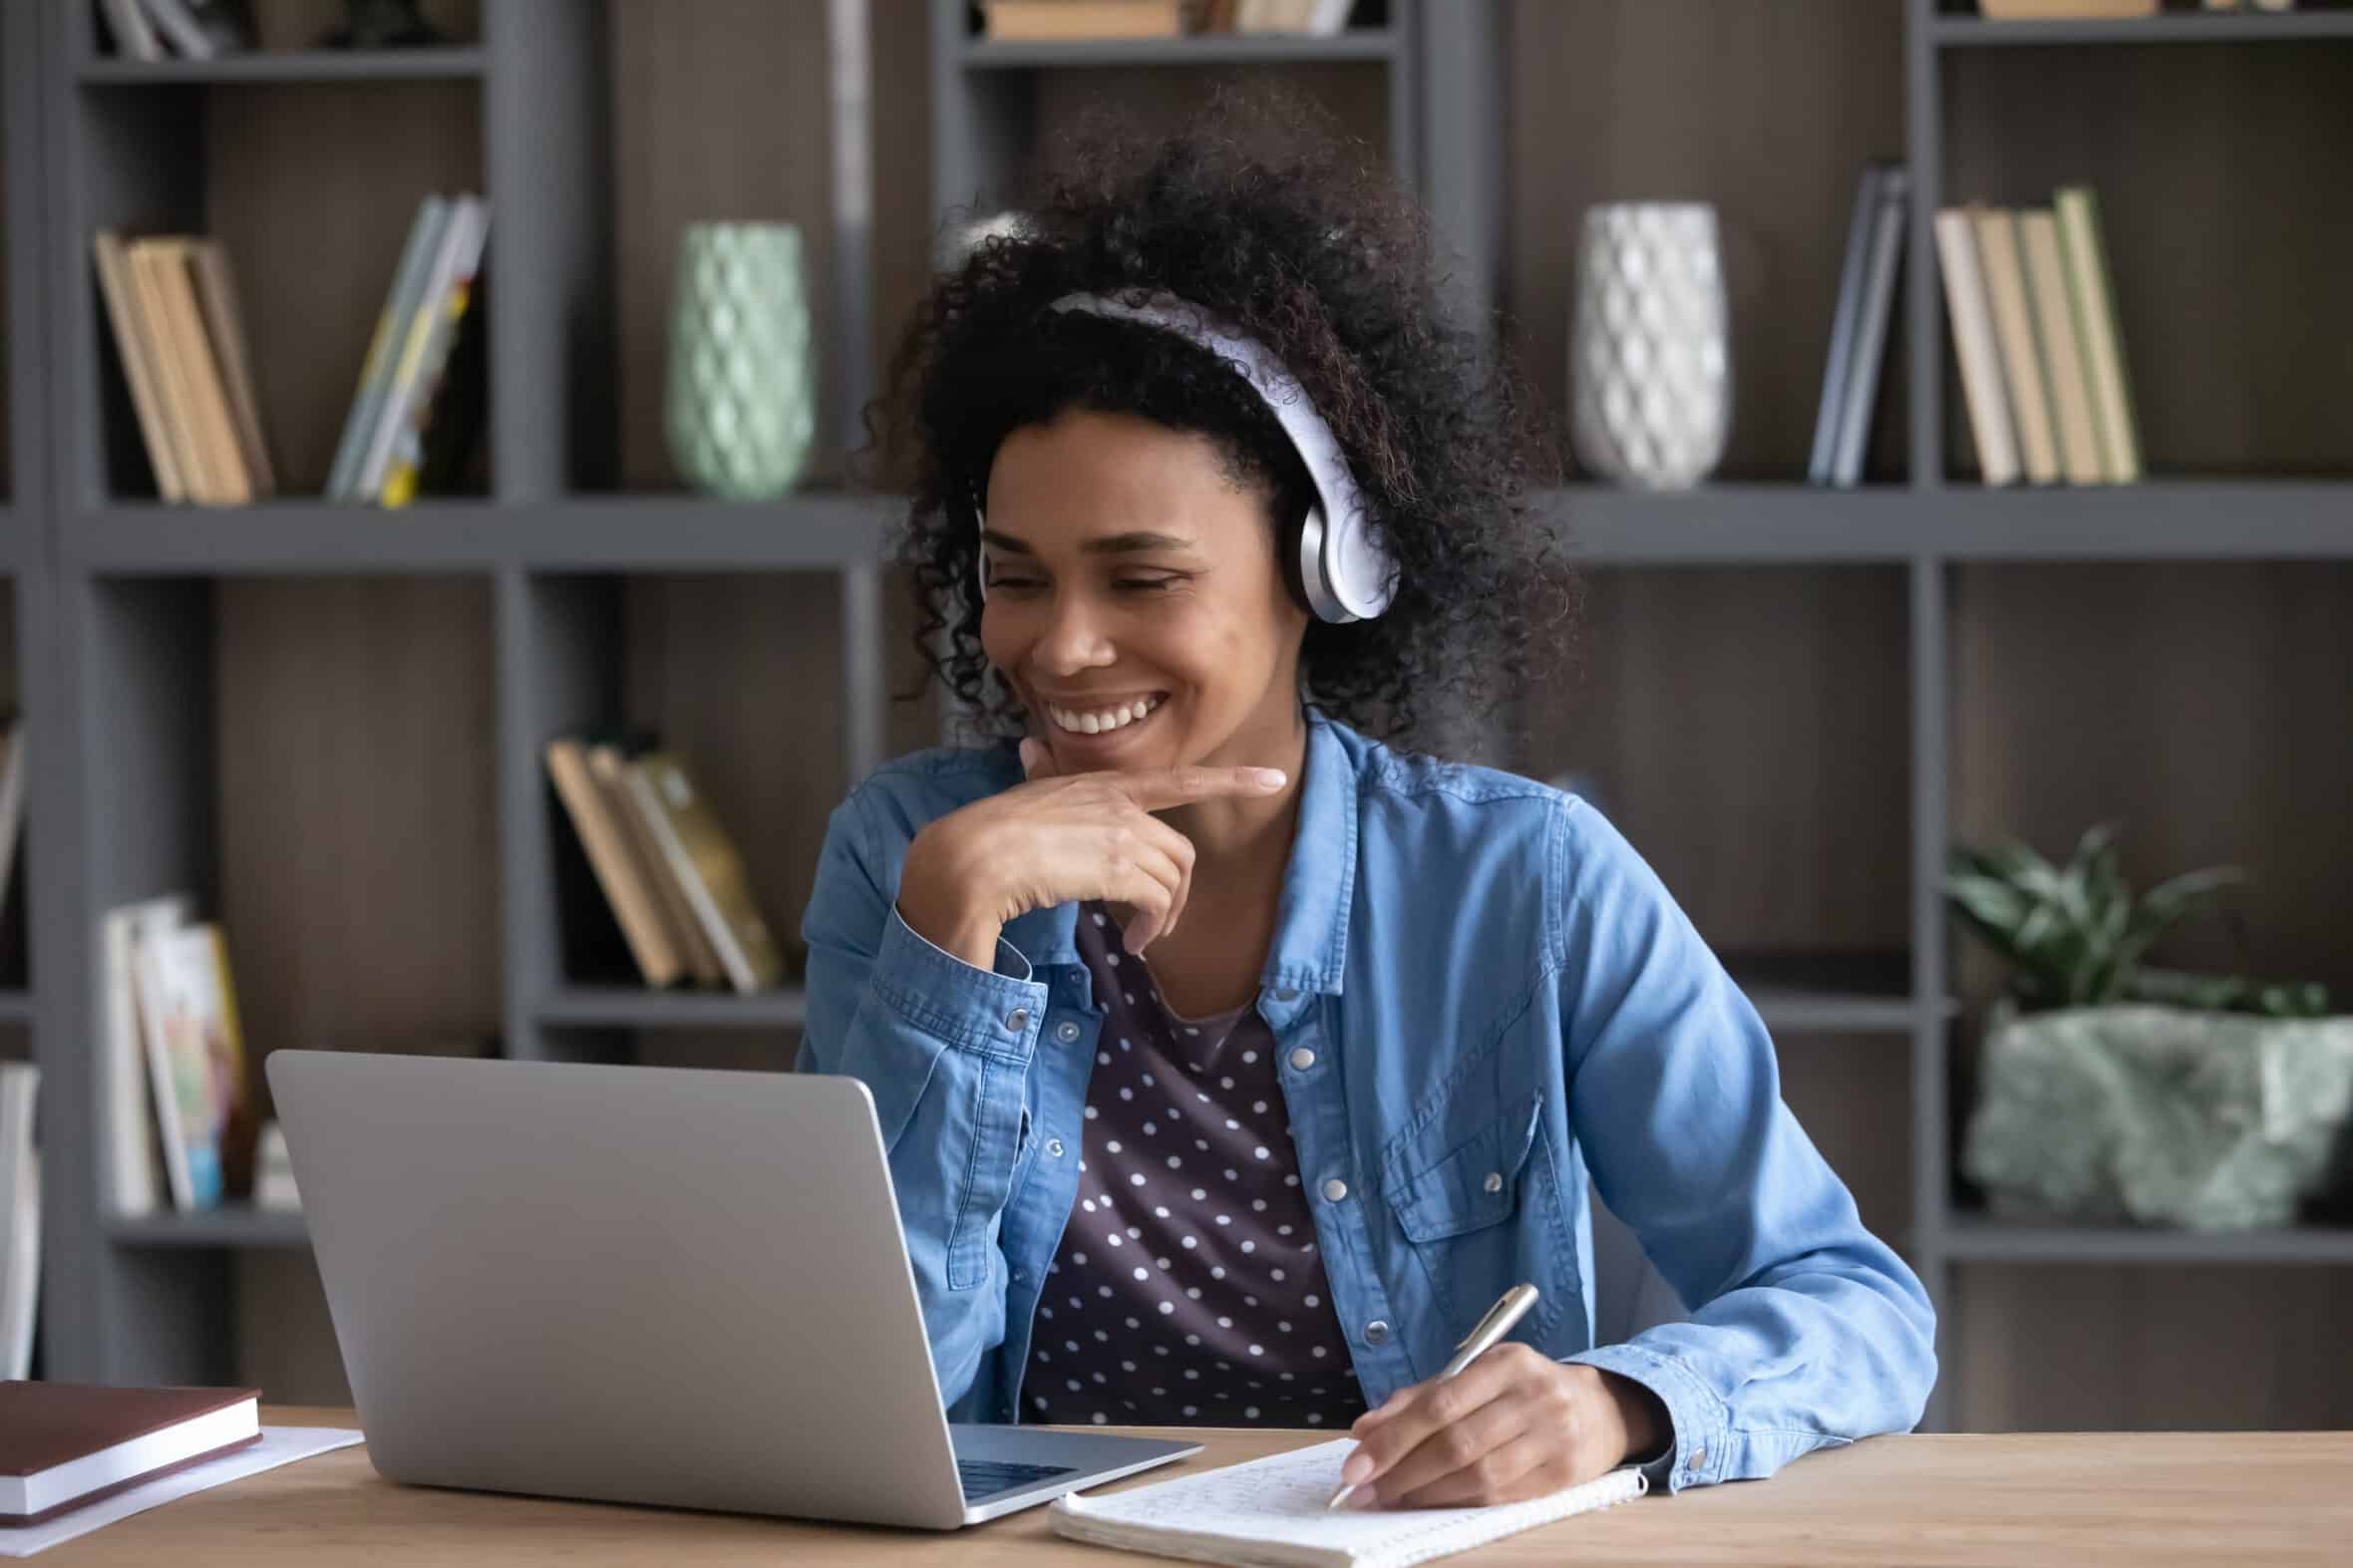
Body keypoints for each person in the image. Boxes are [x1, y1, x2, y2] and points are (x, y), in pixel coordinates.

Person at [799, 90, 1935, 1509]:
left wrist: (1621, 1404)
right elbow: (862, 1395)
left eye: (1141, 578)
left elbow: (1857, 1303)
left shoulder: (1530, 879)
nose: (1061, 645)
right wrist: (948, 949)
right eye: (1016, 574)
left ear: (1328, 574)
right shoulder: (910, 855)